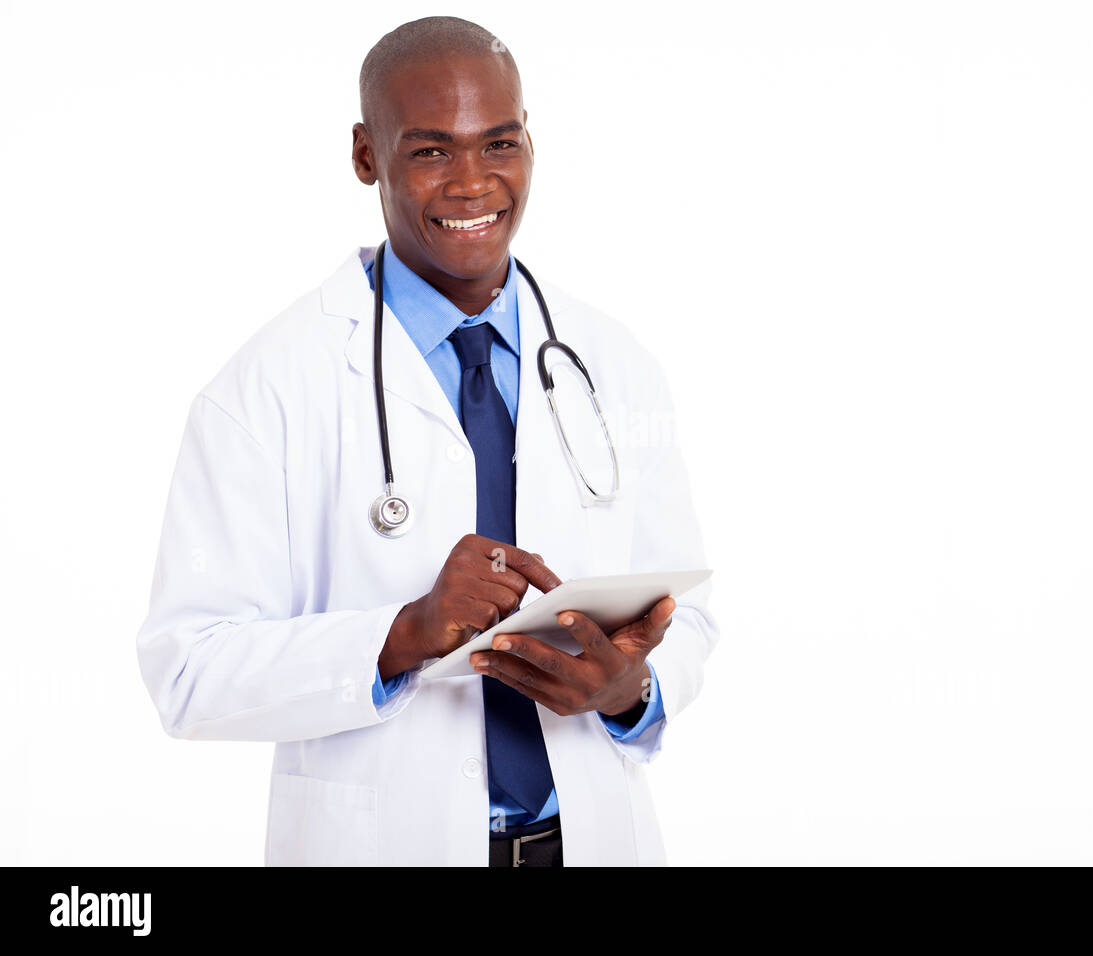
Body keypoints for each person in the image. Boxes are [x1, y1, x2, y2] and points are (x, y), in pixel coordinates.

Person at [135, 16, 718, 867]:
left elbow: (688, 611)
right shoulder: (267, 387)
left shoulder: (615, 365)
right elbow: (185, 674)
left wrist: (633, 692)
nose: (474, 184)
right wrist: (402, 633)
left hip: (588, 841)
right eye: (431, 151)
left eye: (500, 143)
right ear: (367, 155)